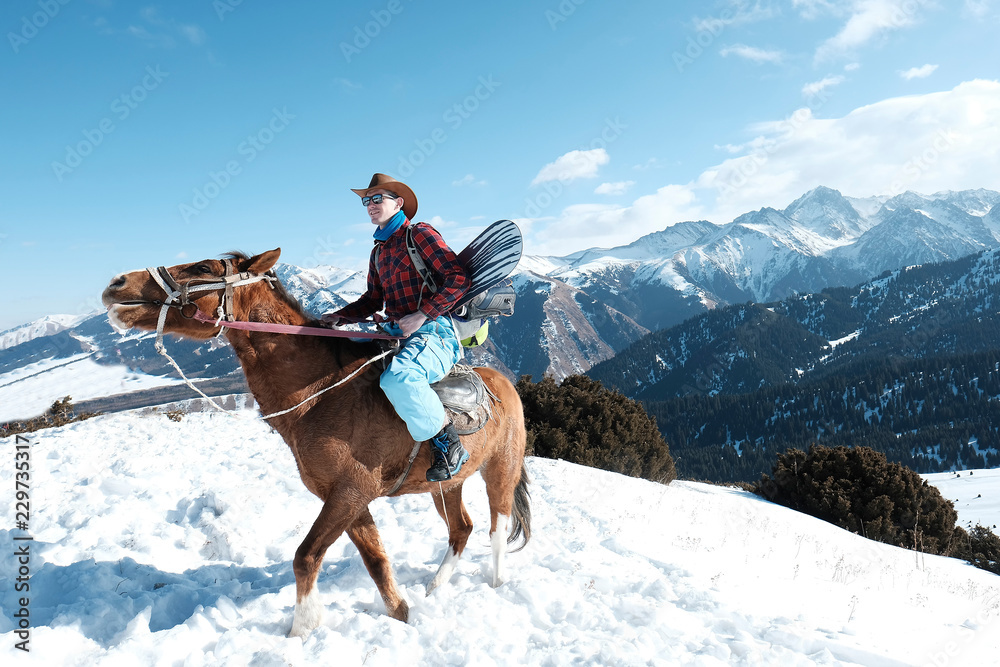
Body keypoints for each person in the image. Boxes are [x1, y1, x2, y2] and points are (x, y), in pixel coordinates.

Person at [323, 173, 471, 482]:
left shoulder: (419, 236)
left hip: (434, 331)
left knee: (400, 380)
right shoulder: (378, 251)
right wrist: (341, 317)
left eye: (378, 199)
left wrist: (421, 315)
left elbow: (459, 279)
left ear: (398, 203)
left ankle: (449, 444)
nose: (370, 205)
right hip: (392, 331)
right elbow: (372, 299)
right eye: (367, 200)